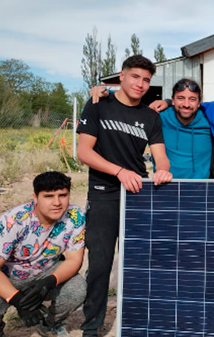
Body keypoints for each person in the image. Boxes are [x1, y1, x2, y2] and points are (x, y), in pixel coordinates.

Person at [77, 55, 172, 337]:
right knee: (100, 265)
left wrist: (163, 171)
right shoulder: (98, 105)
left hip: (137, 196)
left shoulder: (150, 117)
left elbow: (160, 157)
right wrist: (118, 171)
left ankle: (137, 322)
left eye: (146, 80)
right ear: (122, 76)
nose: (140, 84)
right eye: (135, 77)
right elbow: (84, 152)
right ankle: (91, 327)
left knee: (138, 264)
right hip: (104, 193)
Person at [92, 69, 214, 185]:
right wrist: (108, 93)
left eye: (192, 99)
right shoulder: (162, 116)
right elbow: (133, 107)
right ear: (173, 99)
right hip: (169, 186)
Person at [0, 171, 86, 337]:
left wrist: (49, 282)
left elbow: (74, 260)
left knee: (77, 289)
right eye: (49, 196)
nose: (57, 202)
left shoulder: (75, 216)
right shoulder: (14, 220)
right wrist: (17, 300)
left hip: (45, 271)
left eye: (63, 195)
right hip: (7, 275)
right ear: (35, 198)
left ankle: (49, 325)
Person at [158, 78, 212, 178]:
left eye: (192, 99)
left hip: (201, 189)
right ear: (173, 100)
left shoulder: (209, 120)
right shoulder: (160, 118)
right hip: (165, 187)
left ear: (199, 103)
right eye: (181, 98)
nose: (186, 105)